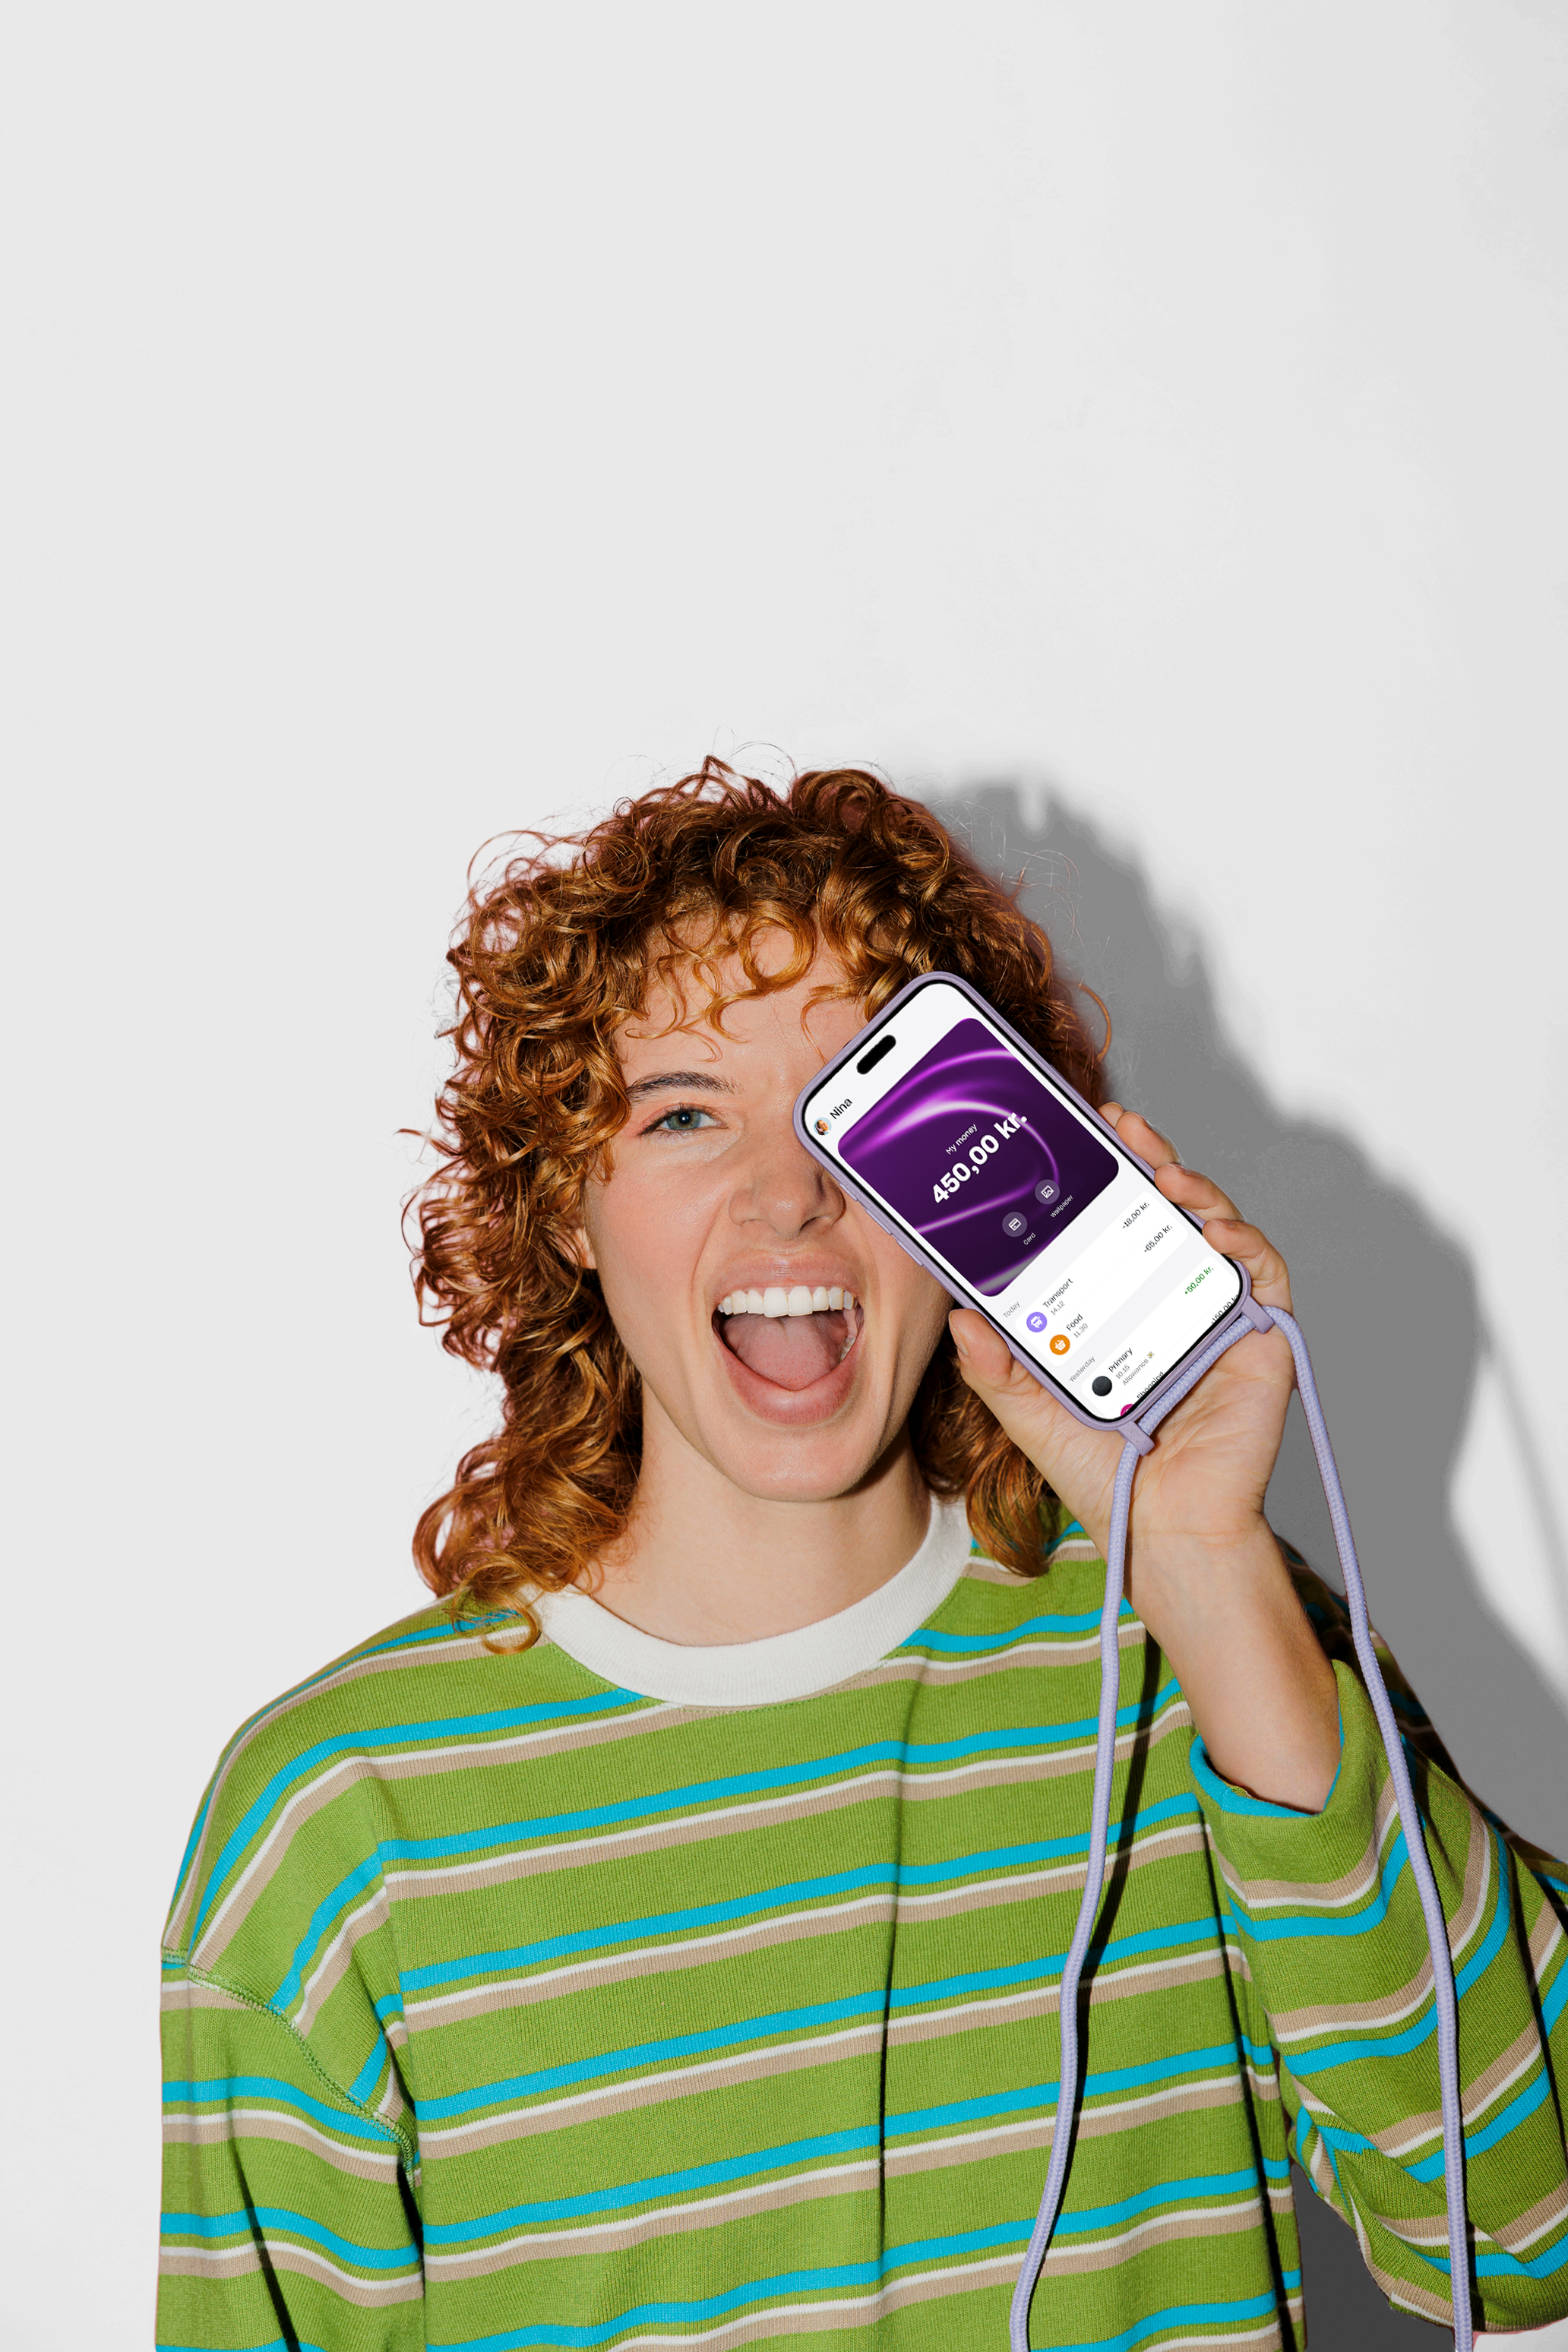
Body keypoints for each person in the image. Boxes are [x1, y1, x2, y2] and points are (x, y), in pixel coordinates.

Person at [159, 761, 1568, 2350]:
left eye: (859, 1112)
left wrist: (1197, 1559)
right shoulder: (339, 1826)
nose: (791, 1198)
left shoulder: (1210, 1652)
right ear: (565, 1208)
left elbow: (1525, 2235)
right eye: (684, 1114)